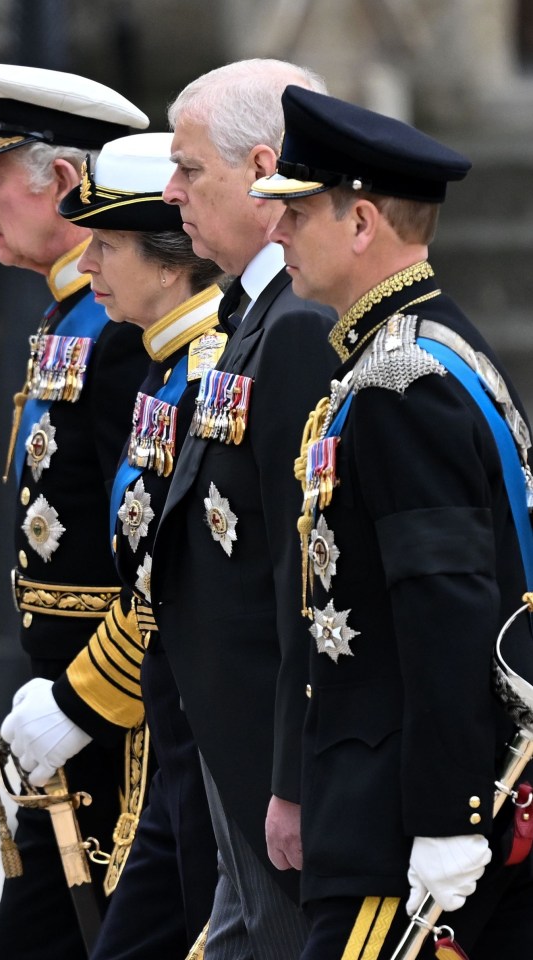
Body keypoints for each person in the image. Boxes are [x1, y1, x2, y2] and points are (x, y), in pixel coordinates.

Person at [251, 84, 533, 958]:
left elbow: (446, 604)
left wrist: (448, 820)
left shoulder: (403, 382)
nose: (275, 233)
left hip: (401, 825)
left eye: (295, 213)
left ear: (361, 222)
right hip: (375, 801)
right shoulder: (403, 354)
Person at [0, 62, 151, 960]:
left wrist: (82, 699)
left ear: (62, 181)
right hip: (64, 718)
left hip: (117, 730)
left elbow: (158, 559)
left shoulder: (122, 327)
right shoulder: (73, 316)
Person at [151, 60, 338, 959]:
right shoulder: (250, 313)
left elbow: (302, 572)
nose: (170, 189)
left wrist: (290, 776)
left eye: (190, 169)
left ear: (263, 171)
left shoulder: (294, 326)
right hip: (230, 744)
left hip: (268, 758)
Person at [58, 130, 224, 959]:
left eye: (105, 244)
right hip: (175, 729)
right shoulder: (165, 367)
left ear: (168, 264)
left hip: (205, 740)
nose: (86, 265)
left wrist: (80, 697)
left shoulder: (204, 373)